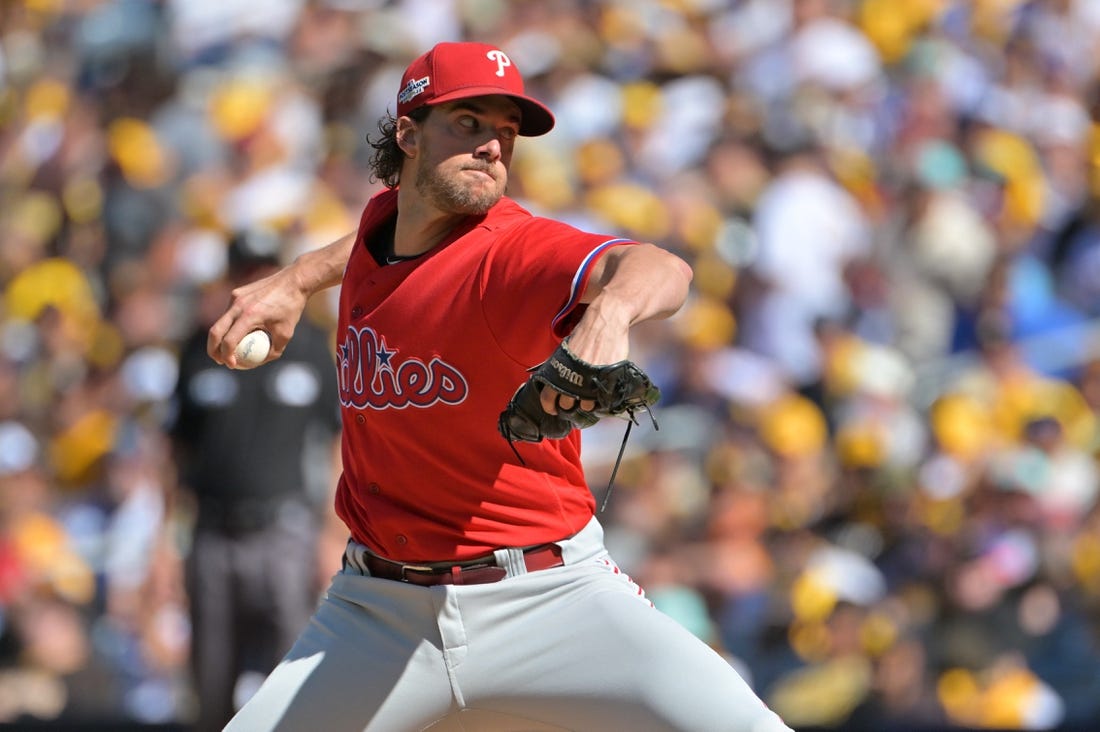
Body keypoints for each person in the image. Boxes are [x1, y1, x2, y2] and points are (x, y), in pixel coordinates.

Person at [207, 41, 793, 731]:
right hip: (378, 613)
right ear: (408, 134)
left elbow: (659, 267)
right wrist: (295, 278)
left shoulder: (511, 252)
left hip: (548, 598)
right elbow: (370, 236)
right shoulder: (382, 226)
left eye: (506, 133)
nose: (491, 146)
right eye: (468, 123)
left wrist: (608, 312)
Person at [169, 228, 341, 731]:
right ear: (231, 281)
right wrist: (165, 541)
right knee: (210, 675)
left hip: (285, 528)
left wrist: (331, 532)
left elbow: (337, 442)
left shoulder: (309, 347)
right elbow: (175, 451)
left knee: (290, 670)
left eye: (266, 269)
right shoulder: (198, 348)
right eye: (246, 271)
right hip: (212, 530)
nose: (257, 280)